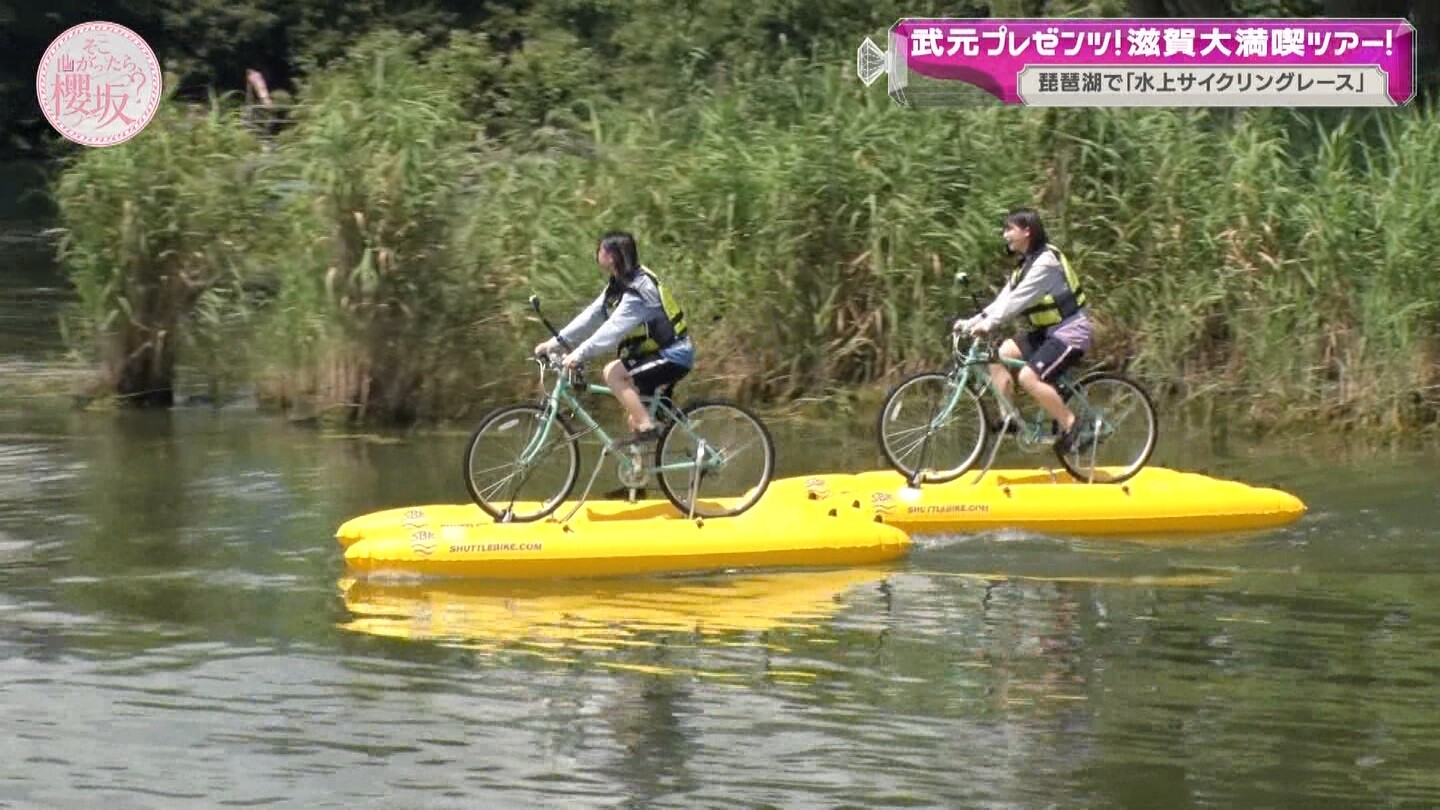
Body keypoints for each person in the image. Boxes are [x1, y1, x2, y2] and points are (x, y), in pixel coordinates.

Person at [533, 231, 694, 448]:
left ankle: (648, 427)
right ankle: (640, 465)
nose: (596, 253)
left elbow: (612, 331)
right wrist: (554, 342)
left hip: (674, 355)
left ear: (611, 256)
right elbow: (592, 315)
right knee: (633, 416)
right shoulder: (621, 282)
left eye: (599, 249)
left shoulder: (638, 290)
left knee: (613, 373)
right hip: (657, 352)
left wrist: (579, 354)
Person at [954, 208, 1093, 454]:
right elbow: (1002, 301)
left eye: (1009, 229)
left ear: (1027, 231)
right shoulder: (1025, 266)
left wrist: (989, 324)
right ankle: (1010, 418)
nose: (1005, 235)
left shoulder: (1046, 262)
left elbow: (1017, 301)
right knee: (999, 355)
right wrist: (971, 322)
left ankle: (1072, 425)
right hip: (1048, 332)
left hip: (1070, 332)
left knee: (1028, 378)